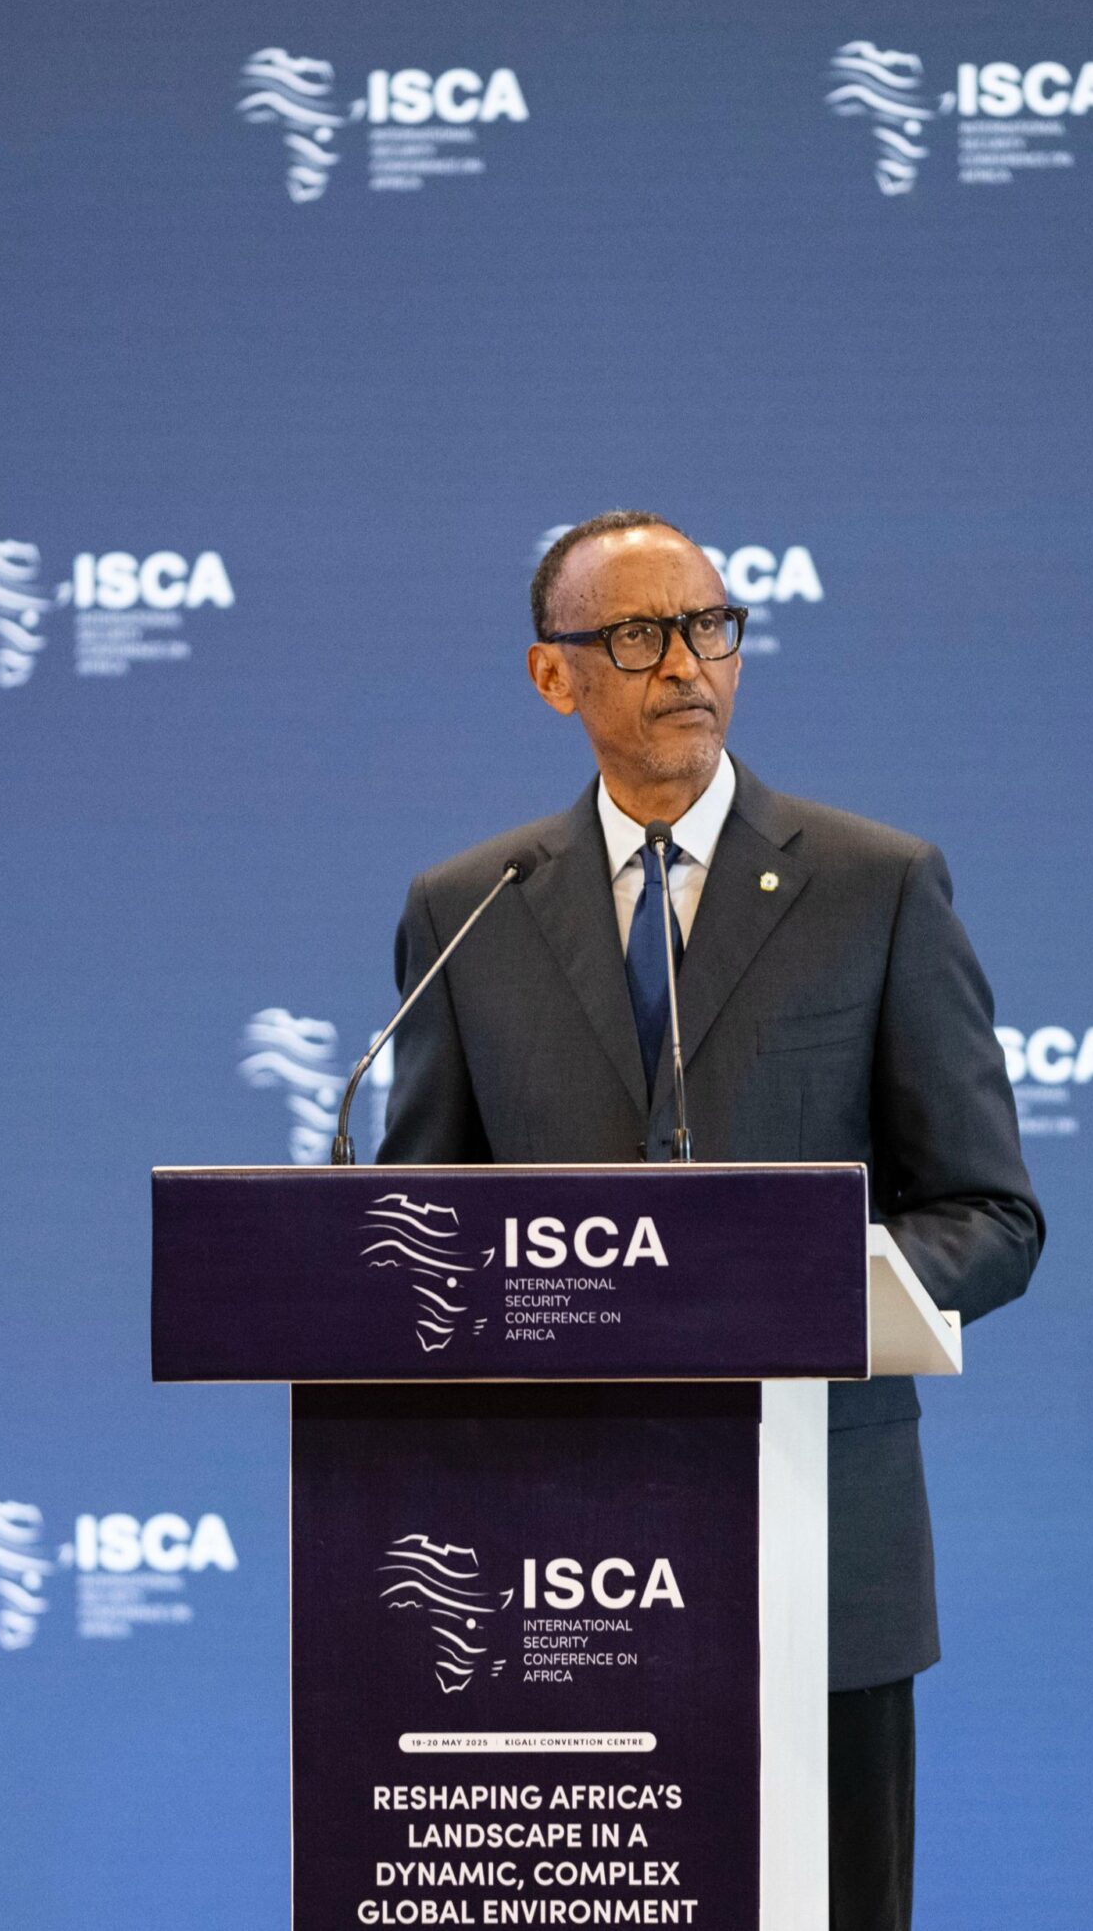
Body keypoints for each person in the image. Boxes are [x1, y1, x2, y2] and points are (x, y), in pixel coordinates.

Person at [378, 509, 1042, 1931]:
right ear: (554, 676)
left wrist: (813, 1284)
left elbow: (990, 1213)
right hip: (556, 1564)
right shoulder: (470, 910)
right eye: (636, 635)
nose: (686, 663)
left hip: (821, 1551)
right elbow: (424, 1238)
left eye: (709, 627)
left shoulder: (876, 886)